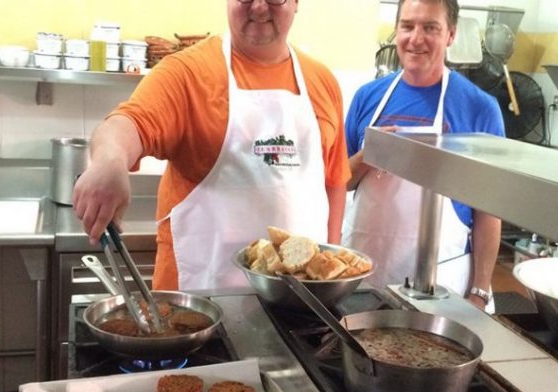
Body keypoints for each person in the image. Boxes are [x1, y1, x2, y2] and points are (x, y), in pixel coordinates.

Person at [73, 0, 350, 291]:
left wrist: (330, 271)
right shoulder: (187, 73)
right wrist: (109, 162)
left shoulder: (323, 82)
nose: (258, 8)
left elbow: (334, 182)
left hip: (302, 305)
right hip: (201, 305)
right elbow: (127, 124)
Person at [342, 0, 504, 311]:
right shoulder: (367, 97)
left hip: (442, 285)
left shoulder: (480, 108)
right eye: (407, 26)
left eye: (430, 28)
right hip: (365, 279)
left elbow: (488, 212)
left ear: (451, 35)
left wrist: (480, 291)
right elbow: (343, 181)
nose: (416, 39)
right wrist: (368, 156)